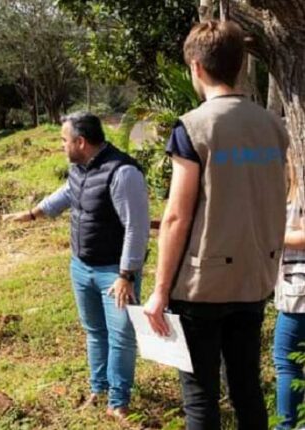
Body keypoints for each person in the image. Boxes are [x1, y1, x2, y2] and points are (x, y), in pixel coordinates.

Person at [143, 20, 289, 430]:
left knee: (201, 397)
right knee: (246, 386)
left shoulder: (194, 127)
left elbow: (176, 215)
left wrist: (158, 292)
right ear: (242, 65)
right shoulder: (273, 126)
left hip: (201, 286)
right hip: (255, 279)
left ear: (196, 67)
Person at [4, 112, 150, 421]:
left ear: (80, 142)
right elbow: (68, 194)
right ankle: (98, 390)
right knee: (95, 331)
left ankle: (118, 402)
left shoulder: (123, 173)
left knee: (121, 336)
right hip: (82, 267)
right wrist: (32, 214)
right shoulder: (79, 168)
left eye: (63, 139)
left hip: (115, 273)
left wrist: (127, 275)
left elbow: (136, 228)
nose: (61, 145)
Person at [274, 158, 305, 430]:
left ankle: (286, 426)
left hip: (300, 291)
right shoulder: (290, 190)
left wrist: (272, 233)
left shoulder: (301, 189)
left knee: (285, 362)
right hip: (292, 287)